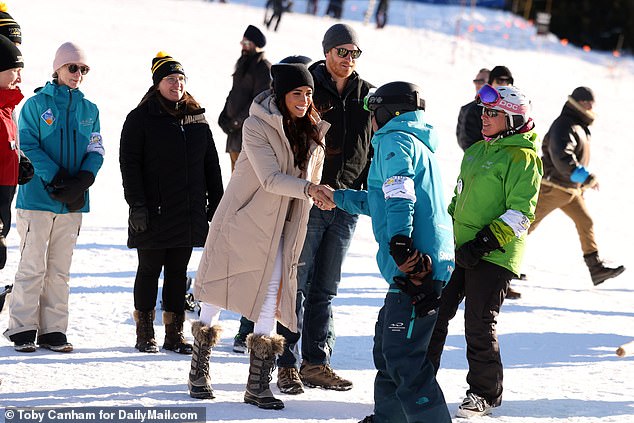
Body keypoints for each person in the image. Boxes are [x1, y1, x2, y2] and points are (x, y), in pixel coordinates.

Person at [187, 63, 333, 410]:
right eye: (297, 92)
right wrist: (311, 189)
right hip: (243, 221)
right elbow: (269, 178)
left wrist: (320, 195)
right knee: (218, 293)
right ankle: (199, 369)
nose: (303, 99)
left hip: (282, 227)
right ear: (280, 94)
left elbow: (308, 179)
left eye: (308, 93)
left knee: (272, 295)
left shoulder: (314, 130)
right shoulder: (256, 125)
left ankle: (257, 384)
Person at [331, 81, 454, 422]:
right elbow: (382, 199)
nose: (370, 121)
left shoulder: (394, 139)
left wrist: (400, 243)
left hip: (416, 263)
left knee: (403, 357)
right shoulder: (415, 143)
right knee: (388, 351)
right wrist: (337, 197)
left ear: (386, 113)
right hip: (417, 263)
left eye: (373, 113)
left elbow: (401, 192)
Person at [428, 84, 543, 418]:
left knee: (478, 323)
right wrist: (443, 236)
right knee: (434, 314)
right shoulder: (476, 151)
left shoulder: (523, 158)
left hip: (495, 254)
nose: (484, 117)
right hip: (458, 250)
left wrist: (481, 244)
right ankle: (419, 381)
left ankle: (484, 394)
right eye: (483, 111)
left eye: (493, 113)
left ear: (512, 119)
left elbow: (521, 214)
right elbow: (456, 202)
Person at [275, 23, 373, 395]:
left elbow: (369, 149)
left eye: (354, 53)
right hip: (309, 198)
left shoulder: (367, 94)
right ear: (327, 51)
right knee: (296, 284)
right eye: (342, 52)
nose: (348, 59)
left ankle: (316, 362)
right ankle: (284, 363)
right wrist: (310, 187)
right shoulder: (310, 86)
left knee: (326, 288)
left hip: (346, 202)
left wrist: (356, 192)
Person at [119, 52, 223, 355]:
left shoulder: (196, 118)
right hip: (153, 211)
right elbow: (130, 165)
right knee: (149, 270)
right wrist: (136, 205)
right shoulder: (140, 118)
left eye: (180, 79)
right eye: (170, 79)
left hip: (188, 211)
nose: (176, 84)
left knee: (179, 272)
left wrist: (216, 204)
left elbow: (211, 166)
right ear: (157, 84)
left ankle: (174, 334)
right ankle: (144, 332)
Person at [4, 42, 103, 353]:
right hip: (37, 198)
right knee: (32, 265)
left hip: (72, 202)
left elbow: (96, 148)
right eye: (72, 68)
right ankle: (22, 328)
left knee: (60, 269)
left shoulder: (90, 109)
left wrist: (84, 179)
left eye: (83, 69)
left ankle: (54, 330)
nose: (78, 74)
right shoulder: (35, 105)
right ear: (58, 68)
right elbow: (27, 145)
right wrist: (57, 176)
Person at [529, 87, 625, 285]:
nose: (591, 107)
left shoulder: (578, 124)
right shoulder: (564, 125)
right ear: (579, 103)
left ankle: (596, 268)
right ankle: (496, 264)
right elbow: (562, 157)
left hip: (570, 190)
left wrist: (581, 184)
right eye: (588, 103)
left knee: (586, 222)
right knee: (526, 226)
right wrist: (586, 177)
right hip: (554, 187)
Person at [218, 25, 271, 172]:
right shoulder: (243, 63)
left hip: (247, 135)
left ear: (257, 46)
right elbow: (234, 92)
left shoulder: (263, 68)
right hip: (234, 136)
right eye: (243, 43)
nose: (244, 47)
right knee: (234, 179)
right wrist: (224, 115)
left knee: (243, 181)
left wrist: (236, 122)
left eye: (247, 43)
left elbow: (258, 101)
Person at [0, 35, 22, 275]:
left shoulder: (7, 108)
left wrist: (19, 160)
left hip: (5, 193)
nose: (18, 76)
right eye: (13, 69)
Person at [456, 68, 489, 151]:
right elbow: (465, 142)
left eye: (481, 81)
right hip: (479, 158)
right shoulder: (468, 109)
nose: (477, 84)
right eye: (476, 81)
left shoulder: (502, 108)